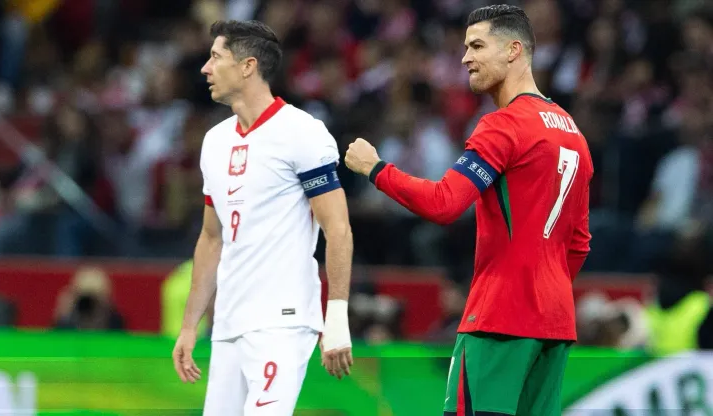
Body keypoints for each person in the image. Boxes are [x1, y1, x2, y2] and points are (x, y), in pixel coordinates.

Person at [345, 5, 592, 416]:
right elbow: (579, 245)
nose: (465, 59)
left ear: (514, 50)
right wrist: (542, 293)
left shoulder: (504, 125)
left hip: (498, 320)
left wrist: (376, 169)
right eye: (464, 47)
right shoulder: (573, 132)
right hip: (554, 325)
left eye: (477, 46)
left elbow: (445, 203)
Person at [171, 20, 354, 416]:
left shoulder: (302, 132)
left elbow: (337, 227)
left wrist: (335, 316)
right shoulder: (214, 141)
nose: (205, 67)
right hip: (229, 323)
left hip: (282, 321)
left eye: (216, 57)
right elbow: (211, 237)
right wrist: (190, 325)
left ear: (248, 66)